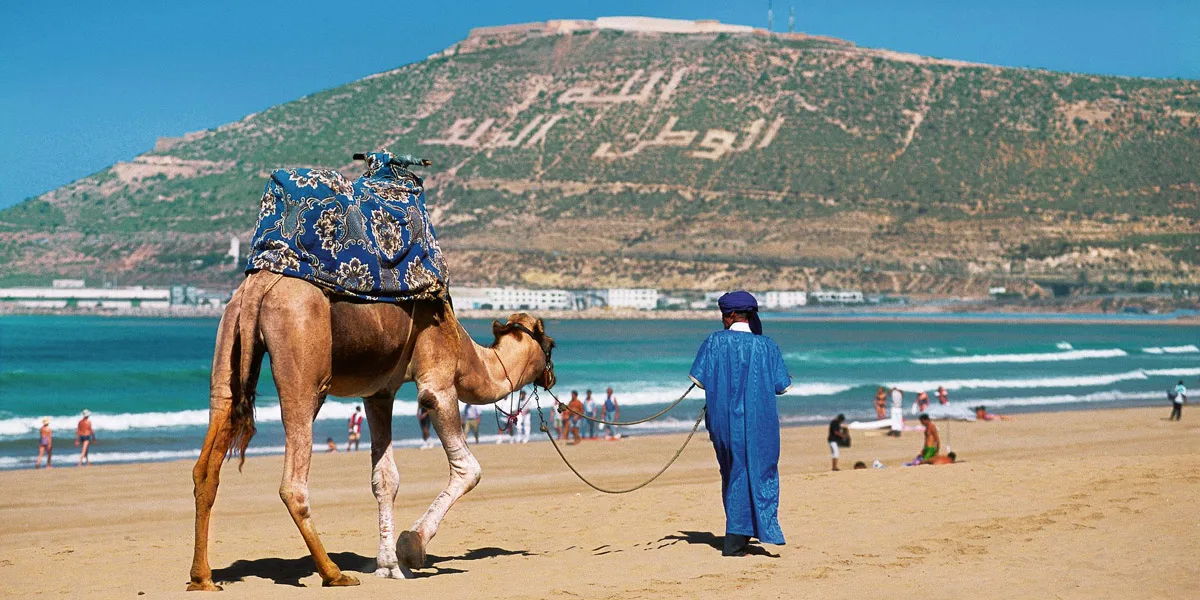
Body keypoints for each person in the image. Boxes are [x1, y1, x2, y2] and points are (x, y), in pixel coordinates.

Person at [689, 291, 791, 556]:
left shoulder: (714, 342)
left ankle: (739, 535)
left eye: (724, 315)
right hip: (760, 422)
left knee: (733, 471)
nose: (722, 320)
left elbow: (699, 379)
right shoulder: (766, 346)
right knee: (760, 471)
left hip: (724, 423)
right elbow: (782, 386)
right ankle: (739, 537)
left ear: (732, 315)